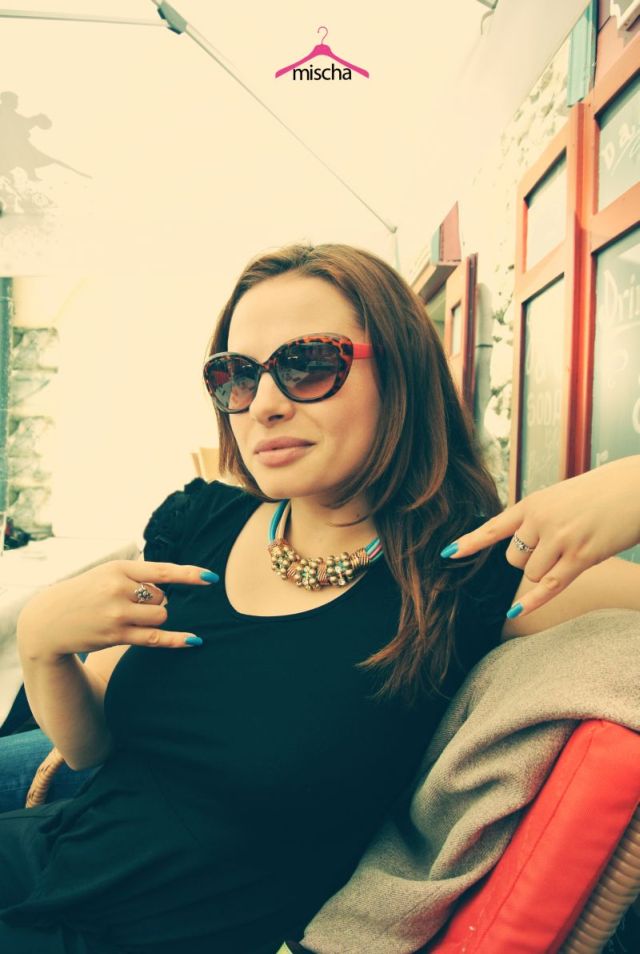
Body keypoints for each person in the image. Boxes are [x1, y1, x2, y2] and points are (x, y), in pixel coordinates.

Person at [0, 243, 638, 954]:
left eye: (307, 365)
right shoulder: (200, 523)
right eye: (236, 376)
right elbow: (92, 747)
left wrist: (632, 485)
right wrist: (42, 643)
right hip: (49, 862)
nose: (265, 405)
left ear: (400, 374)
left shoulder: (472, 571)